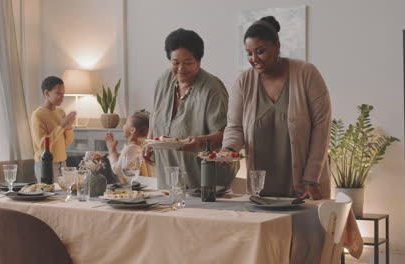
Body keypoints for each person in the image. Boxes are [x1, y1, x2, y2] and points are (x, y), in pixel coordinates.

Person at [222, 16, 331, 200]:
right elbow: (235, 126)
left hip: (305, 186)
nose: (254, 59)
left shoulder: (306, 74)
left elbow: (321, 128)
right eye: (249, 53)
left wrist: (311, 178)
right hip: (261, 190)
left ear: (277, 46)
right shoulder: (244, 82)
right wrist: (227, 149)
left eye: (260, 51)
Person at [144, 28, 238, 189]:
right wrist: (149, 142)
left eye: (188, 63)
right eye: (175, 63)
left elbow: (227, 133)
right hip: (169, 176)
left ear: (199, 61)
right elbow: (155, 114)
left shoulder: (212, 89)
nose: (181, 69)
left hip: (204, 180)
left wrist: (200, 142)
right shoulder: (163, 80)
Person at [31, 76, 76, 183]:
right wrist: (61, 126)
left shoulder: (60, 112)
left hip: (63, 163)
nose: (62, 97)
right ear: (47, 93)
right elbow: (43, 145)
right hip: (46, 164)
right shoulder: (37, 115)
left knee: (64, 196)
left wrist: (68, 127)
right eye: (58, 93)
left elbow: (68, 142)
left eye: (63, 94)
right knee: (49, 197)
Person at [105, 112, 150, 182]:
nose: (123, 126)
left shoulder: (131, 148)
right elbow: (122, 162)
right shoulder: (135, 147)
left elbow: (117, 169)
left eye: (125, 123)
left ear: (132, 130)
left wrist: (111, 149)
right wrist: (115, 151)